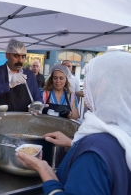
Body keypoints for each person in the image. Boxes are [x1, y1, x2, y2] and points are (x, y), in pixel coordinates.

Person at [16, 50, 131, 194]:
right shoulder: (123, 134)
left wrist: (43, 169)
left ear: (103, 88)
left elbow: (93, 162)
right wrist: (73, 144)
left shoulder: (93, 154)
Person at [0, 39, 42, 112]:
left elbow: (37, 96)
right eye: (16, 56)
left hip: (24, 119)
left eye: (23, 57)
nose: (20, 60)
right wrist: (9, 85)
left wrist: (38, 105)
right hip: (1, 119)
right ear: (7, 55)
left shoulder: (30, 75)